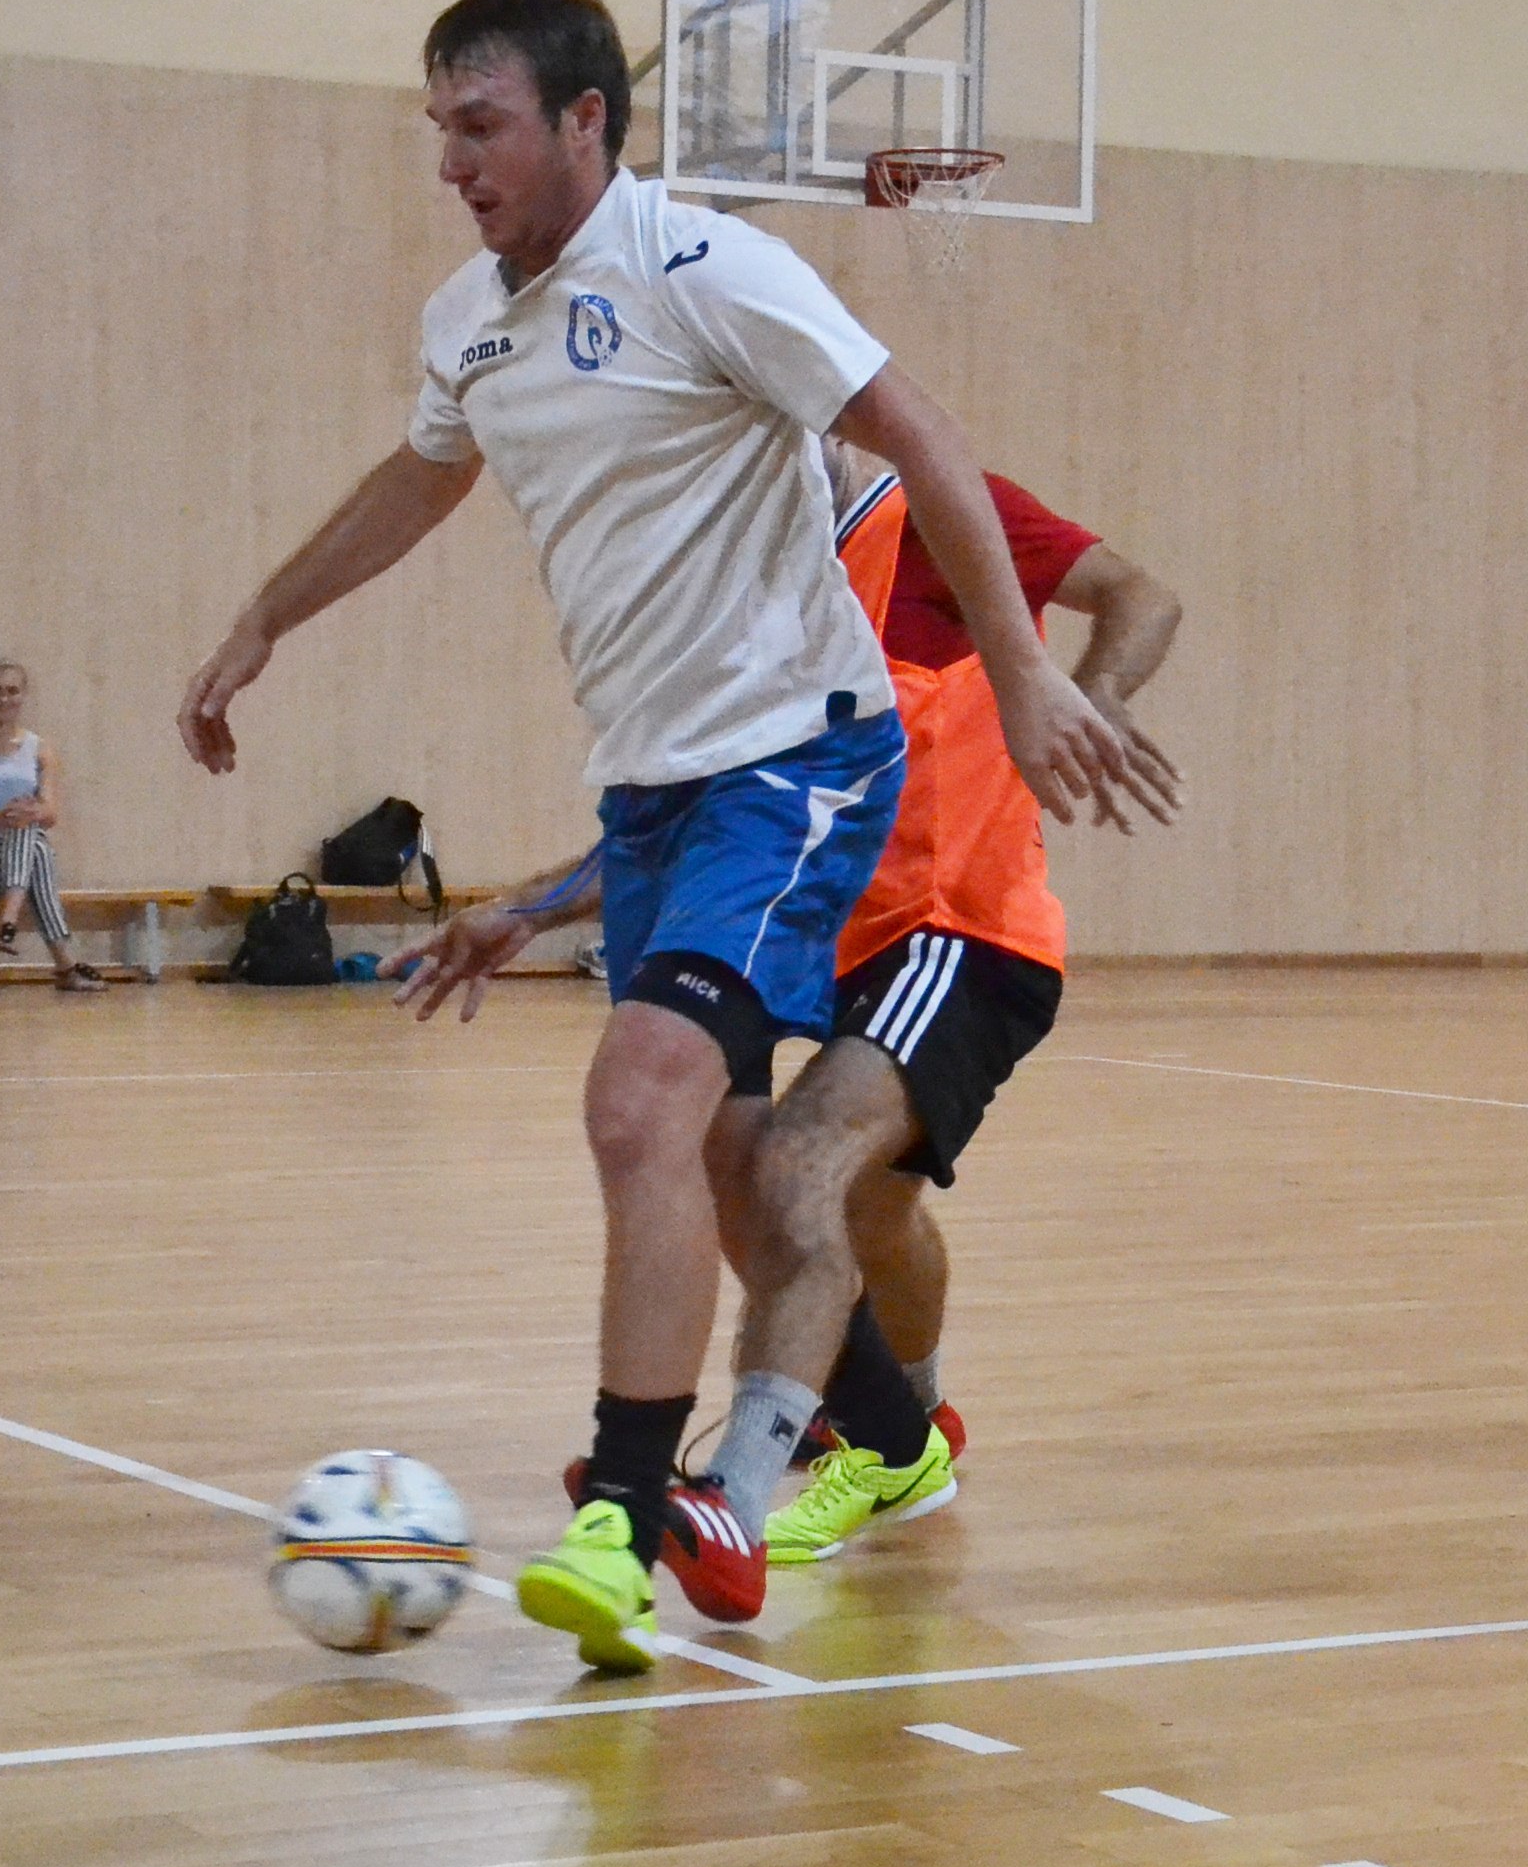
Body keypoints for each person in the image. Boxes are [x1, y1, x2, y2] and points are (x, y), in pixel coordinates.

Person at [179, 0, 1162, 1675]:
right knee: (721, 1159)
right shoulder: (468, 321)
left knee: (643, 1099)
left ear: (584, 120)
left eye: (480, 125)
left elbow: (923, 434)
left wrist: (1022, 678)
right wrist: (267, 615)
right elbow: (426, 471)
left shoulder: (709, 268)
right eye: (438, 128)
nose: (451, 161)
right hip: (651, 785)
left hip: (797, 758)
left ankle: (631, 1519)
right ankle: (869, 1438)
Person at [401, 458, 1186, 1566]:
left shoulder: (925, 512)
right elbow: (720, 819)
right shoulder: (737, 583)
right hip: (822, 931)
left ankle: (737, 1493)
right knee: (857, 1207)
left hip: (956, 929)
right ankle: (904, 1433)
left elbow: (1142, 594)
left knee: (794, 1166)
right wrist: (525, 908)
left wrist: (1090, 699)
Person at [0, 660, 107, 989]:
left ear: (23, 696)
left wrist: (29, 814)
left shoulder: (39, 748)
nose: (4, 698)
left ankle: (15, 926)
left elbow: (50, 812)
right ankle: (58, 959)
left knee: (32, 837)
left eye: (12, 691)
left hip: (20, 858)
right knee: (30, 837)